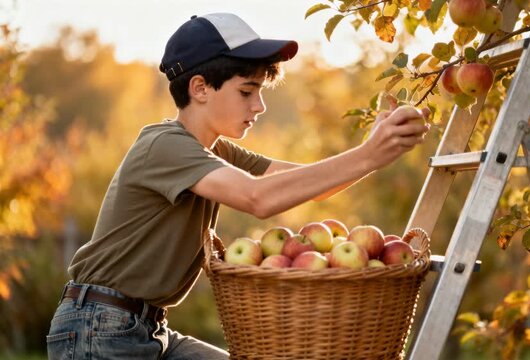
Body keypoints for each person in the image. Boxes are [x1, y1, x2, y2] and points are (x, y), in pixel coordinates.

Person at [46, 12, 430, 360]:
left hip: (146, 327)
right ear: (199, 88)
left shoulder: (214, 150)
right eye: (247, 91)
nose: (259, 105)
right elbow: (257, 198)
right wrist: (369, 154)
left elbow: (303, 182)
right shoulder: (164, 144)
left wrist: (380, 148)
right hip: (100, 327)